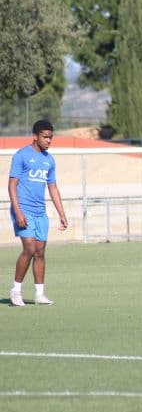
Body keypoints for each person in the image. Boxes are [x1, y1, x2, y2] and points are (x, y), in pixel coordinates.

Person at [8, 119, 68, 306]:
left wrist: (62, 214)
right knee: (30, 248)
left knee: (40, 252)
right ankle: (16, 290)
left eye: (51, 137)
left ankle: (39, 294)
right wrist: (17, 212)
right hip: (23, 210)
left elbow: (53, 187)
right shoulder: (21, 155)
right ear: (35, 136)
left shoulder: (49, 160)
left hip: (40, 212)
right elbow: (12, 185)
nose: (49, 141)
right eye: (45, 137)